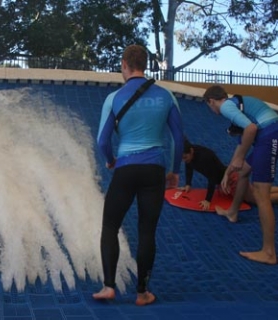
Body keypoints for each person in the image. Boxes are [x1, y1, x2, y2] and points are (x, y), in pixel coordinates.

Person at [94, 45, 184, 306]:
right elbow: (178, 138)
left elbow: (102, 140)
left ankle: (109, 287)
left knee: (110, 226)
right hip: (155, 168)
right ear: (145, 64)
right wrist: (175, 171)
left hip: (126, 168)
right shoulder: (167, 96)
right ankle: (143, 292)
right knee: (147, 231)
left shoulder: (114, 98)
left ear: (124, 64)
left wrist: (111, 160)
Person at [203, 85, 278, 265]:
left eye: (209, 107)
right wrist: (228, 172)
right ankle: (233, 212)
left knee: (261, 195)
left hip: (270, 136)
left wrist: (241, 157)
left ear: (211, 101)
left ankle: (269, 252)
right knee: (243, 171)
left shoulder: (227, 106)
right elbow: (240, 148)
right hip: (269, 134)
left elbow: (251, 129)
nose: (212, 110)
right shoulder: (236, 108)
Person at [181, 139, 278, 211]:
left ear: (191, 151)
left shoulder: (204, 158)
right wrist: (188, 184)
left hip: (231, 180)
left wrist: (208, 200)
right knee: (256, 191)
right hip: (226, 178)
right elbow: (189, 166)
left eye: (185, 157)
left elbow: (212, 178)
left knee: (256, 199)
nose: (184, 160)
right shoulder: (190, 155)